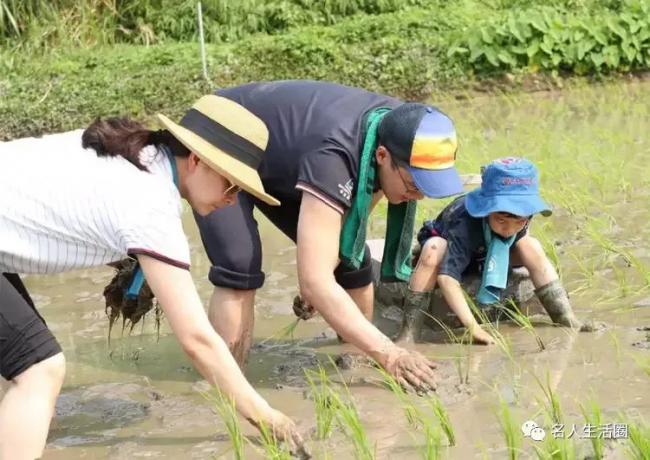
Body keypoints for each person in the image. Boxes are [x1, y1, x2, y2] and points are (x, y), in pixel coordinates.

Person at [0, 95, 304, 460]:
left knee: (19, 361)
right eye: (231, 184)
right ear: (195, 160)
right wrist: (263, 415)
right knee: (39, 369)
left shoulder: (137, 153)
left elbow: (69, 209)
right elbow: (197, 340)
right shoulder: (152, 204)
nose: (232, 198)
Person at [192, 80, 464, 391]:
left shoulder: (400, 127)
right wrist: (390, 352)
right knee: (239, 263)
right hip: (222, 137)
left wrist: (320, 277)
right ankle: (227, 388)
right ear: (382, 156)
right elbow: (315, 280)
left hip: (285, 158)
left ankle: (354, 366)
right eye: (413, 185)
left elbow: (350, 229)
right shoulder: (336, 156)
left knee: (352, 260)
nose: (417, 197)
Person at [397, 157, 584, 344]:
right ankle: (409, 334)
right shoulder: (464, 223)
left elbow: (520, 238)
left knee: (531, 245)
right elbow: (447, 278)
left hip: (487, 254)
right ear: (486, 210)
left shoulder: (523, 216)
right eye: (501, 220)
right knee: (433, 248)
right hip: (453, 252)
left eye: (519, 222)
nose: (509, 229)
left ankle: (565, 318)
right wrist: (473, 328)